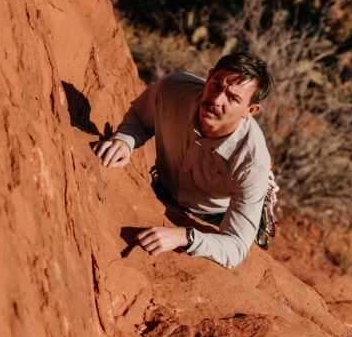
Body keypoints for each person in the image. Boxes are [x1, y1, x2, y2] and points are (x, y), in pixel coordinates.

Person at [93, 52, 274, 269]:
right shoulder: (173, 90)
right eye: (216, 85)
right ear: (209, 77)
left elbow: (235, 246)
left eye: (233, 98)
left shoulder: (252, 163)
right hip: (164, 189)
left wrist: (185, 236)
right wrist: (125, 140)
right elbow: (141, 118)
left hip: (214, 215)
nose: (216, 100)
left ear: (250, 110)